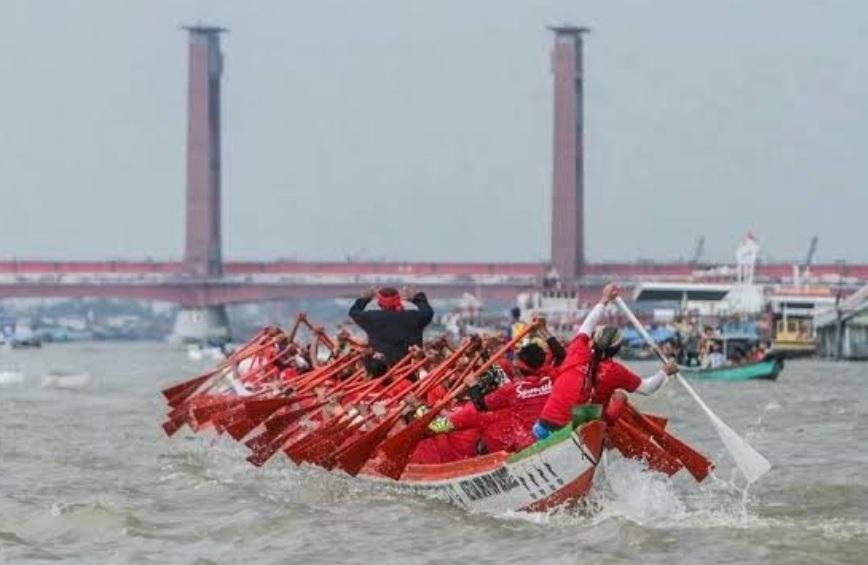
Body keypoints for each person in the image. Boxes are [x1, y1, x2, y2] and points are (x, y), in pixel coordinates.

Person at [532, 282, 678, 441]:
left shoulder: (577, 349)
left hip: (542, 427)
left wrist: (605, 299)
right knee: (618, 398)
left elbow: (588, 323)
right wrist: (665, 372)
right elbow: (648, 388)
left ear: (592, 341)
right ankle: (607, 432)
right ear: (616, 349)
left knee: (591, 405)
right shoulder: (614, 371)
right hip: (576, 431)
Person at [349, 287, 434, 366]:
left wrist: (365, 299)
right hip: (411, 369)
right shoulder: (414, 316)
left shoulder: (371, 317)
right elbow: (428, 312)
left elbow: (353, 312)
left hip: (381, 370)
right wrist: (417, 298)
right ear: (398, 300)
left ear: (380, 304)